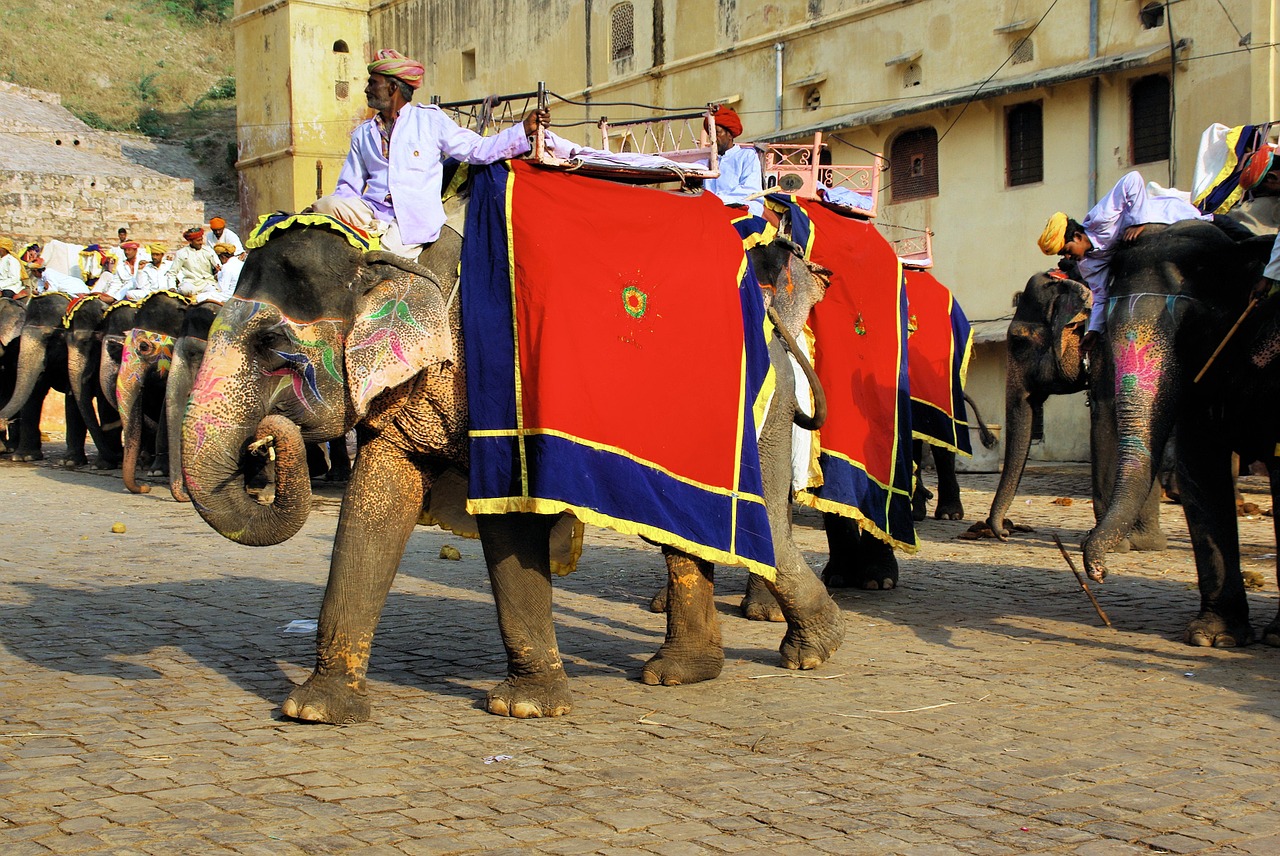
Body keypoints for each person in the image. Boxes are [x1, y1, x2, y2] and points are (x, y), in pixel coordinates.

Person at [312, 48, 549, 260]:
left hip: (413, 217)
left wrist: (523, 129)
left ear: (393, 87)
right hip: (371, 211)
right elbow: (348, 188)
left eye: (373, 83)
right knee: (325, 205)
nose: (366, 89)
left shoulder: (429, 120)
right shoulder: (363, 134)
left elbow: (476, 149)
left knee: (381, 259)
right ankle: (373, 227)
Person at [1038, 170, 1212, 353]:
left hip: (1170, 217)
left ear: (1077, 236)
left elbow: (1133, 179)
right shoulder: (1088, 265)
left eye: (1067, 251)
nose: (1067, 258)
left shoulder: (1100, 218)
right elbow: (1100, 296)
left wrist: (1138, 221)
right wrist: (1094, 330)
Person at [703, 106, 764, 217]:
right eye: (710, 135)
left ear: (729, 134)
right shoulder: (704, 162)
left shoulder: (747, 156)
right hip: (710, 210)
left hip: (741, 208)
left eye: (717, 133)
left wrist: (717, 201)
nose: (714, 139)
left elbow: (749, 190)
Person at [171, 227, 220, 298]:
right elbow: (172, 273)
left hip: (207, 283)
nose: (201, 243)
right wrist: (172, 287)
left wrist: (218, 272)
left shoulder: (208, 251)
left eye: (201, 240)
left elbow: (219, 267)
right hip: (191, 283)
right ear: (190, 241)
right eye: (198, 241)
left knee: (214, 292)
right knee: (186, 290)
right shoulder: (182, 253)